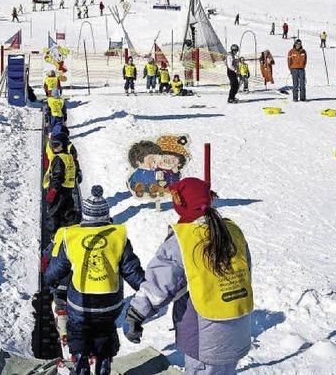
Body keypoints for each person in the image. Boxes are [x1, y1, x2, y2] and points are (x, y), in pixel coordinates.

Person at [124, 177, 253, 374]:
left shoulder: (185, 239)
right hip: (238, 327)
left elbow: (160, 283)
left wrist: (136, 313)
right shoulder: (233, 231)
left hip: (205, 337)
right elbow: (245, 270)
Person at [45, 185, 145, 375]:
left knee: (78, 329)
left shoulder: (72, 237)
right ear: (106, 216)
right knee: (105, 329)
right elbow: (130, 270)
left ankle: (81, 358)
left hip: (80, 302)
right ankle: (104, 359)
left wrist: (49, 281)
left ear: (85, 217)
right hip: (110, 302)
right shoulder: (117, 237)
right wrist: (145, 287)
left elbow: (57, 269)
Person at [43, 132, 77, 235]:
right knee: (67, 211)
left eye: (57, 144)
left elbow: (58, 176)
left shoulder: (59, 159)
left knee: (54, 213)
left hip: (59, 191)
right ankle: (70, 231)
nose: (54, 147)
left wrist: (53, 191)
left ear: (64, 145)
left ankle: (54, 235)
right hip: (68, 189)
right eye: (52, 144)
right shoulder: (68, 157)